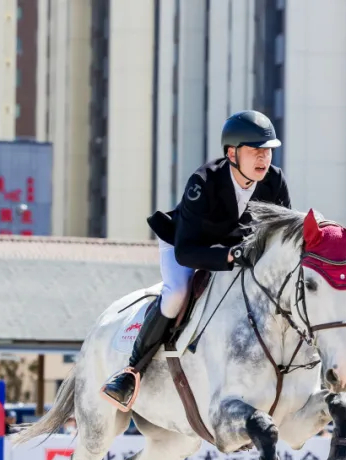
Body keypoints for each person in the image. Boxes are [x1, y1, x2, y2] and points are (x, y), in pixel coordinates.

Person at [100, 110, 293, 411]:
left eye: (267, 150)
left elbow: (282, 237)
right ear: (232, 153)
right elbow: (186, 251)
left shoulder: (275, 181)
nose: (263, 158)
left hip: (238, 252)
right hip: (187, 244)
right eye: (255, 150)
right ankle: (132, 371)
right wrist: (229, 255)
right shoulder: (203, 182)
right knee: (177, 293)